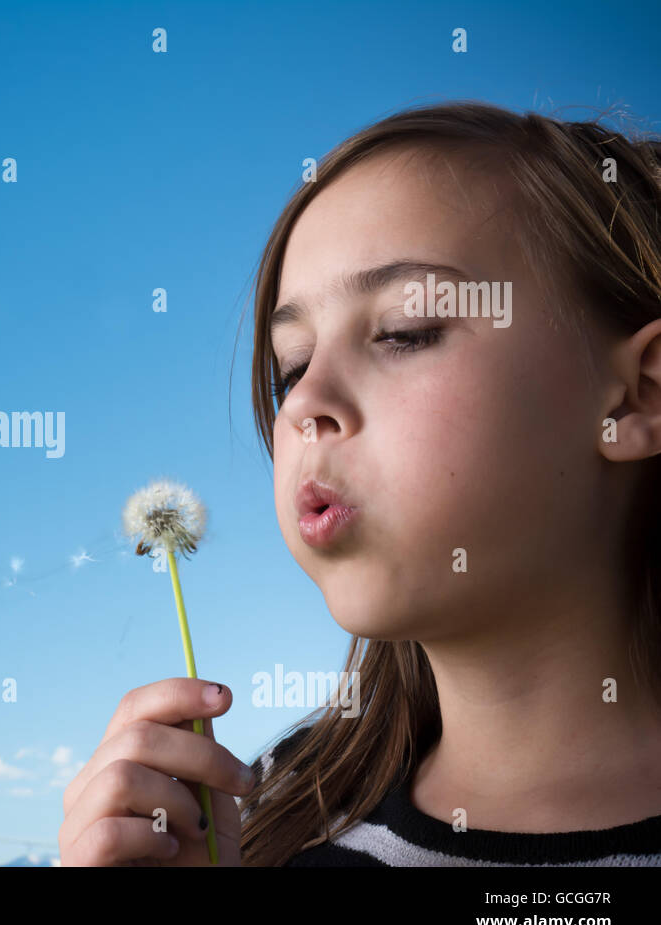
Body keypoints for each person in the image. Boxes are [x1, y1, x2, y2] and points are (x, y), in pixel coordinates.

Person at [58, 101, 661, 866]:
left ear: (637, 395)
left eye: (404, 331)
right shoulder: (258, 825)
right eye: (291, 369)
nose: (307, 405)